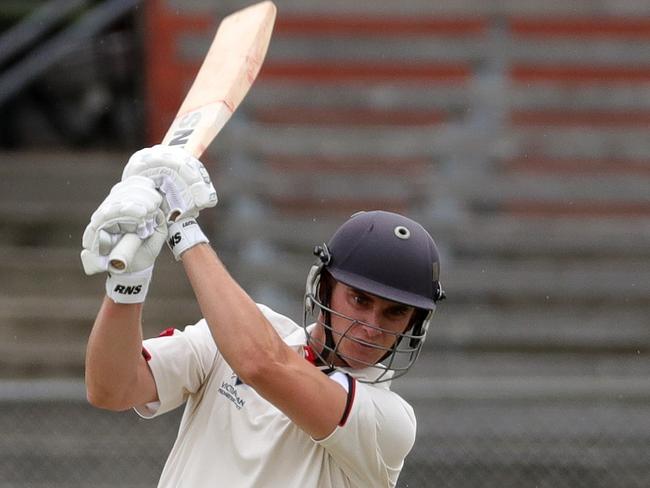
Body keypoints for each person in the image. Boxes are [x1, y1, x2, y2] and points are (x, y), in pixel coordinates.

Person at [81, 145, 446, 488]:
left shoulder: (389, 421)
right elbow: (112, 389)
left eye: (395, 312)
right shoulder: (238, 332)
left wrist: (182, 226)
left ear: (413, 323)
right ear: (324, 289)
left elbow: (261, 364)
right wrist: (128, 283)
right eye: (359, 300)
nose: (372, 326)